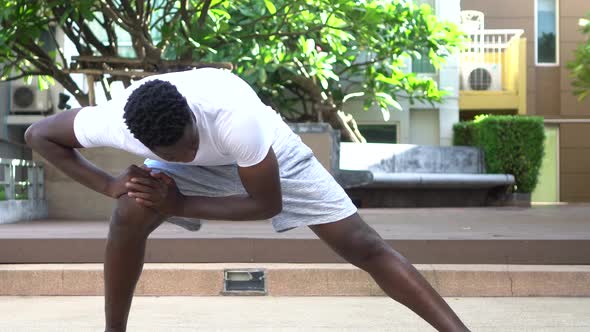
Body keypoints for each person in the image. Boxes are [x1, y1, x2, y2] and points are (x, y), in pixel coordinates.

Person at [25, 68, 470, 332]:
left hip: (266, 156)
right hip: (193, 166)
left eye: (187, 144)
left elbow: (266, 205)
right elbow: (38, 134)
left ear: (192, 121)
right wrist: (108, 185)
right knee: (127, 212)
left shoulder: (237, 120)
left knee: (363, 245)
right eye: (170, 154)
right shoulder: (116, 121)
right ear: (139, 140)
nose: (186, 157)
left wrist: (178, 205)